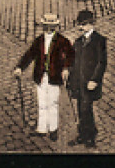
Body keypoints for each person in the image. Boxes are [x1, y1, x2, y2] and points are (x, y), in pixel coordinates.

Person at [14, 13, 73, 141]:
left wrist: (66, 68)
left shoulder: (62, 41)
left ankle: (53, 129)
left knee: (52, 103)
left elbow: (71, 55)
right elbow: (29, 54)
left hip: (54, 76)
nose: (48, 28)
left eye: (51, 26)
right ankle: (41, 128)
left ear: (55, 26)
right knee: (41, 103)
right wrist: (20, 67)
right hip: (40, 76)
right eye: (46, 26)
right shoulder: (39, 40)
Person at [67, 9, 108, 148]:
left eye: (83, 25)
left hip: (90, 83)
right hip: (78, 81)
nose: (80, 27)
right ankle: (85, 133)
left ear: (91, 24)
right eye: (80, 24)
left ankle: (89, 137)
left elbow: (101, 63)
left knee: (86, 109)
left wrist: (95, 80)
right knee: (81, 108)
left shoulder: (99, 40)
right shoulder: (78, 41)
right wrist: (68, 74)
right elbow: (73, 61)